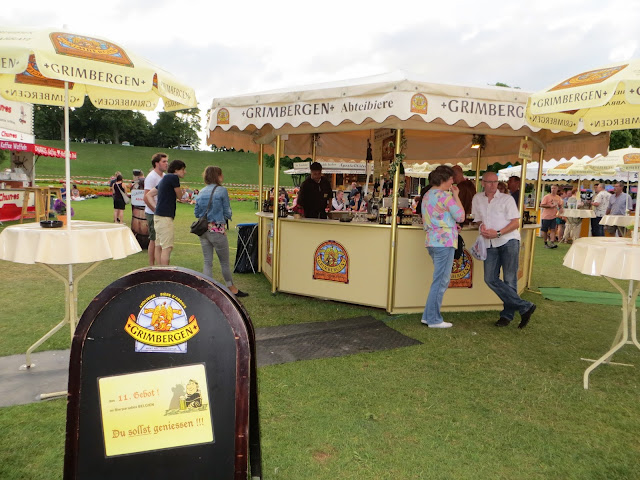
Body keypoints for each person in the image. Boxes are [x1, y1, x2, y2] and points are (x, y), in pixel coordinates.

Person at [472, 172, 536, 328]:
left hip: (508, 240)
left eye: (495, 181)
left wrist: (498, 233)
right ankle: (524, 306)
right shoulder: (477, 198)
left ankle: (507, 316)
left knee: (509, 279)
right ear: (483, 183)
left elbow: (515, 223)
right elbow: (477, 219)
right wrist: (481, 226)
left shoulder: (507, 199)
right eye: (489, 182)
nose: (493, 185)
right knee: (489, 278)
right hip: (489, 243)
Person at [421, 166, 465, 328]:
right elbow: (461, 216)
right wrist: (456, 196)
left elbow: (437, 216)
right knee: (441, 281)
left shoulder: (428, 195)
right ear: (443, 180)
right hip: (444, 242)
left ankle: (428, 316)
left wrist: (451, 224)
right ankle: (433, 319)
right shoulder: (445, 196)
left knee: (439, 280)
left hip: (432, 240)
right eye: (451, 178)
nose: (453, 181)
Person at [194, 166, 248, 297]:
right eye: (221, 174)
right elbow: (227, 211)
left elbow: (196, 212)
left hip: (203, 231)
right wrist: (224, 219)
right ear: (217, 176)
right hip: (217, 230)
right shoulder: (222, 190)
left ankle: (207, 288)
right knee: (224, 262)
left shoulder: (201, 191)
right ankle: (232, 288)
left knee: (207, 261)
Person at [145, 159, 186, 265]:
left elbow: (149, 194)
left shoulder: (165, 178)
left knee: (158, 246)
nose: (184, 172)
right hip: (166, 217)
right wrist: (182, 193)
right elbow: (180, 196)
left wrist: (156, 208)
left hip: (158, 216)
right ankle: (165, 271)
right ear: (176, 170)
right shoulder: (173, 177)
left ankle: (159, 270)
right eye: (183, 169)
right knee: (167, 248)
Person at [144, 153, 169, 266]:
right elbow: (146, 197)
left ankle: (159, 264)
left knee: (160, 241)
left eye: (167, 161)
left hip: (161, 213)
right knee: (154, 240)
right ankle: (151, 265)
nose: (166, 163)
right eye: (164, 161)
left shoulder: (164, 176)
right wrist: (155, 211)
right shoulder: (152, 177)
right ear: (156, 163)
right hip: (153, 213)